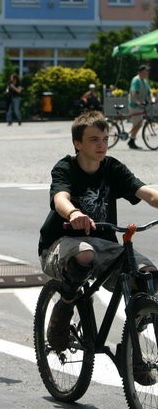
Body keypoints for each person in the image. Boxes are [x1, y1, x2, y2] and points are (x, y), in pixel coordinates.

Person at [38, 111, 158, 385]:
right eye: (94, 139)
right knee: (84, 254)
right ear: (78, 143)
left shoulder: (112, 168)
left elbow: (145, 192)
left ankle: (132, 348)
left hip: (104, 244)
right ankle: (64, 308)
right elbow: (60, 197)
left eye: (105, 139)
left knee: (147, 274)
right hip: (61, 243)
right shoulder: (65, 168)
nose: (101, 145)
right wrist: (73, 214)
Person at [127, 65, 152, 150]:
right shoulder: (136, 80)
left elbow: (149, 92)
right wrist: (138, 102)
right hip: (134, 105)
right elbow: (133, 93)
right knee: (137, 124)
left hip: (140, 106)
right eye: (146, 71)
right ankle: (131, 141)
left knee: (138, 124)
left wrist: (152, 99)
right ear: (141, 72)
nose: (148, 72)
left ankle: (131, 140)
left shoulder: (144, 81)